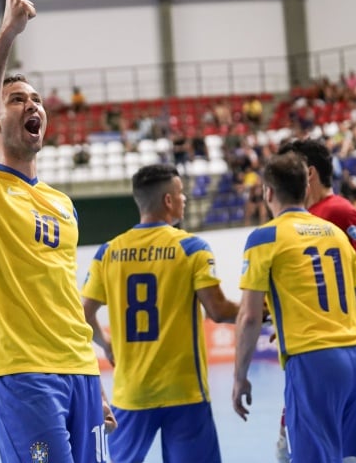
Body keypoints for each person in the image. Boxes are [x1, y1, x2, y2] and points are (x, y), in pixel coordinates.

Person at [0, 0, 116, 463]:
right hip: (22, 374)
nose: (31, 104)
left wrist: (94, 381)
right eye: (16, 100)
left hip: (79, 371)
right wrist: (8, 34)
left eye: (36, 99)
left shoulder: (61, 203)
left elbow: (61, 295)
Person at [81, 164, 239, 463]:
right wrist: (263, 309)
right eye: (181, 194)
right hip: (185, 391)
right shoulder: (192, 248)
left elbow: (84, 315)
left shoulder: (108, 252)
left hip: (132, 391)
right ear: (168, 200)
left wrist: (107, 345)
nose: (184, 199)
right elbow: (218, 311)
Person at [233, 152, 356, 463]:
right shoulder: (335, 234)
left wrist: (239, 376)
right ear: (306, 188)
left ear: (268, 192)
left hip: (315, 362)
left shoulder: (264, 237)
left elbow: (250, 317)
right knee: (351, 458)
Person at [274, 138, 356, 462]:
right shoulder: (305, 217)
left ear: (308, 174)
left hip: (336, 347)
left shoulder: (337, 211)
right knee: (316, 443)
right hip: (314, 349)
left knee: (327, 447)